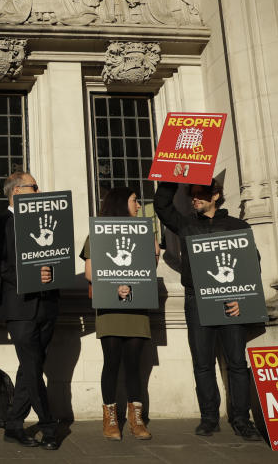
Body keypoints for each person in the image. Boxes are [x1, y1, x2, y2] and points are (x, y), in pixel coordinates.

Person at [153, 166, 262, 441]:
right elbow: (162, 206)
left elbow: (253, 264)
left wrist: (243, 301)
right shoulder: (187, 224)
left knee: (237, 363)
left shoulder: (238, 226)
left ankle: (241, 419)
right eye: (192, 194)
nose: (194, 198)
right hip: (197, 301)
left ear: (216, 195)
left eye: (200, 193)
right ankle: (209, 419)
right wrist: (173, 173)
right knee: (202, 363)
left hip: (230, 301)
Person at [0, 171, 59, 450]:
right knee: (31, 366)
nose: (39, 192)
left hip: (48, 303)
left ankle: (14, 424)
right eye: (34, 187)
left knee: (31, 367)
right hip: (19, 306)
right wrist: (28, 275)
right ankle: (49, 425)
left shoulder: (47, 219)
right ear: (16, 192)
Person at [80, 187, 156, 441]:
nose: (138, 204)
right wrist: (117, 284)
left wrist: (151, 242)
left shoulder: (143, 232)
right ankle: (110, 417)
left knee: (134, 365)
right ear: (121, 203)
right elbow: (90, 273)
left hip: (136, 306)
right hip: (110, 305)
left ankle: (136, 419)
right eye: (135, 200)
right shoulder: (98, 234)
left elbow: (149, 266)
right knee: (112, 362)